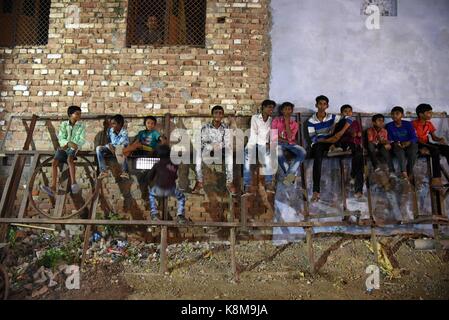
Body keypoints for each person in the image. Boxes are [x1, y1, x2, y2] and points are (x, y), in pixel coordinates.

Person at [306, 95, 351, 201]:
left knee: (342, 122)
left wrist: (340, 133)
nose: (322, 106)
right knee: (318, 159)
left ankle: (334, 146)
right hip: (319, 144)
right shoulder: (311, 121)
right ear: (316, 105)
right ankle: (316, 191)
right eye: (320, 104)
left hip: (333, 139)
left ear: (327, 106)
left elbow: (349, 119)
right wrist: (330, 141)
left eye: (324, 104)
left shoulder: (332, 117)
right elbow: (314, 139)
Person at [41, 105, 86, 197]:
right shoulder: (64, 125)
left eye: (80, 114)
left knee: (70, 159)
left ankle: (73, 183)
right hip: (64, 146)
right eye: (77, 114)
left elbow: (81, 139)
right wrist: (67, 143)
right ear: (70, 114)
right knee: (54, 162)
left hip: (74, 147)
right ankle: (53, 187)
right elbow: (61, 137)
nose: (79, 116)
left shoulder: (81, 126)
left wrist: (74, 145)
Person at [192, 105, 237, 195]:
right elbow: (202, 142)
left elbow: (227, 142)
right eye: (216, 113)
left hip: (221, 151)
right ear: (212, 115)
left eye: (220, 113)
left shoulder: (226, 128)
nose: (218, 115)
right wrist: (212, 146)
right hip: (208, 150)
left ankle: (229, 182)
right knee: (198, 154)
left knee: (229, 153)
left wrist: (219, 145)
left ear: (222, 116)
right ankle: (199, 182)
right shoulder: (205, 128)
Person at [147, 144, 187, 224]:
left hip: (159, 189)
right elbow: (175, 176)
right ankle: (180, 215)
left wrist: (150, 180)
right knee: (181, 197)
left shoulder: (157, 164)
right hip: (171, 189)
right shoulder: (175, 165)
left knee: (151, 194)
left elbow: (150, 176)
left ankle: (154, 214)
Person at [412, 103, 449, 188]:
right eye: (428, 113)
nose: (431, 114)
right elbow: (413, 138)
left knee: (447, 149)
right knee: (435, 150)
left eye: (431, 112)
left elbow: (434, 137)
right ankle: (436, 179)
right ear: (421, 114)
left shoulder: (429, 124)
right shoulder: (413, 124)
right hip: (417, 144)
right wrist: (422, 148)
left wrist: (440, 139)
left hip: (427, 143)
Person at [243, 99, 276, 194]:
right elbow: (254, 133)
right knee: (247, 162)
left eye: (272, 108)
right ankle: (247, 185)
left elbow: (272, 134)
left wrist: (269, 144)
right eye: (269, 107)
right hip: (253, 142)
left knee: (268, 160)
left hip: (265, 144)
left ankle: (269, 184)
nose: (271, 110)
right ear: (263, 108)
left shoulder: (271, 120)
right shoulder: (255, 118)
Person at [271, 102, 307, 185]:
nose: (287, 111)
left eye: (289, 109)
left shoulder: (294, 124)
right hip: (278, 144)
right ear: (282, 111)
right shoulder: (276, 121)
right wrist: (286, 140)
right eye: (285, 109)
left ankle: (289, 176)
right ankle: (290, 177)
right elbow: (273, 137)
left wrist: (287, 123)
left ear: (292, 111)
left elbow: (290, 137)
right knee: (278, 153)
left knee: (303, 152)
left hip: (290, 144)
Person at [334, 104, 364, 198]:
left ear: (352, 112)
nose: (348, 113)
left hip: (356, 145)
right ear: (341, 113)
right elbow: (338, 136)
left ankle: (357, 185)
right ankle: (355, 182)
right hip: (346, 144)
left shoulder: (355, 122)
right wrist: (349, 133)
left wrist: (359, 134)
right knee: (359, 158)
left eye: (349, 111)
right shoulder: (340, 122)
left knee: (360, 159)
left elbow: (360, 134)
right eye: (345, 111)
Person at [385, 106, 418, 180]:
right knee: (398, 150)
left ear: (402, 115)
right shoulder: (389, 126)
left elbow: (414, 137)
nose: (394, 116)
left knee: (414, 149)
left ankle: (409, 170)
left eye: (397, 114)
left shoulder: (408, 124)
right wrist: (396, 142)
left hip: (408, 144)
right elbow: (389, 138)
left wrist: (408, 142)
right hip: (397, 144)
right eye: (392, 114)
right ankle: (403, 172)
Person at [96, 114, 130, 180]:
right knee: (98, 148)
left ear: (120, 124)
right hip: (111, 148)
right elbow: (109, 141)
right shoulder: (110, 130)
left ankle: (125, 172)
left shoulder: (124, 132)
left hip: (121, 148)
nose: (112, 125)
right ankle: (104, 171)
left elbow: (122, 143)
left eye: (114, 124)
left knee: (120, 149)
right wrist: (109, 145)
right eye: (111, 124)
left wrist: (114, 147)